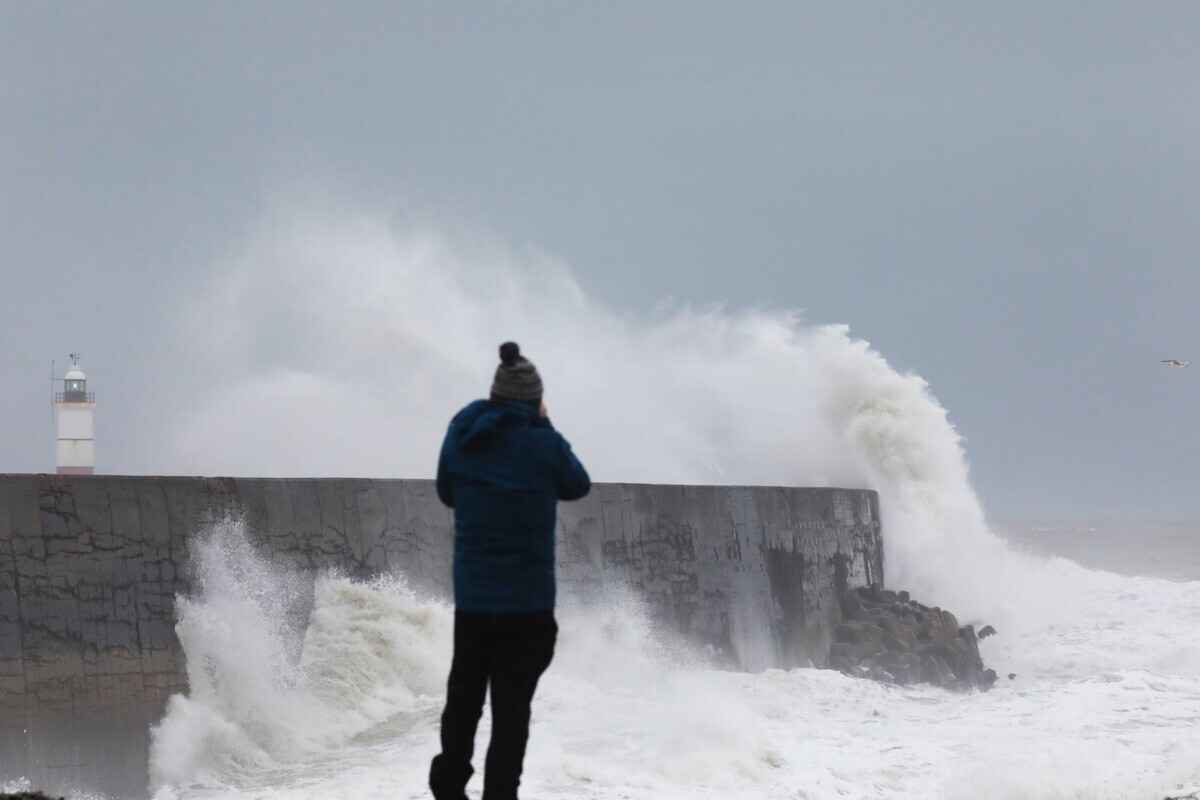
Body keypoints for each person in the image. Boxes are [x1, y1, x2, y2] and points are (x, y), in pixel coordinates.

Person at [429, 341, 591, 800]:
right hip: (528, 606)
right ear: (533, 400)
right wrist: (544, 421)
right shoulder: (542, 442)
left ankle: (448, 787)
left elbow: (446, 491)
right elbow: (577, 484)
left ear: (496, 393)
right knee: (511, 712)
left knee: (463, 700)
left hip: (475, 601)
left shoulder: (464, 429)